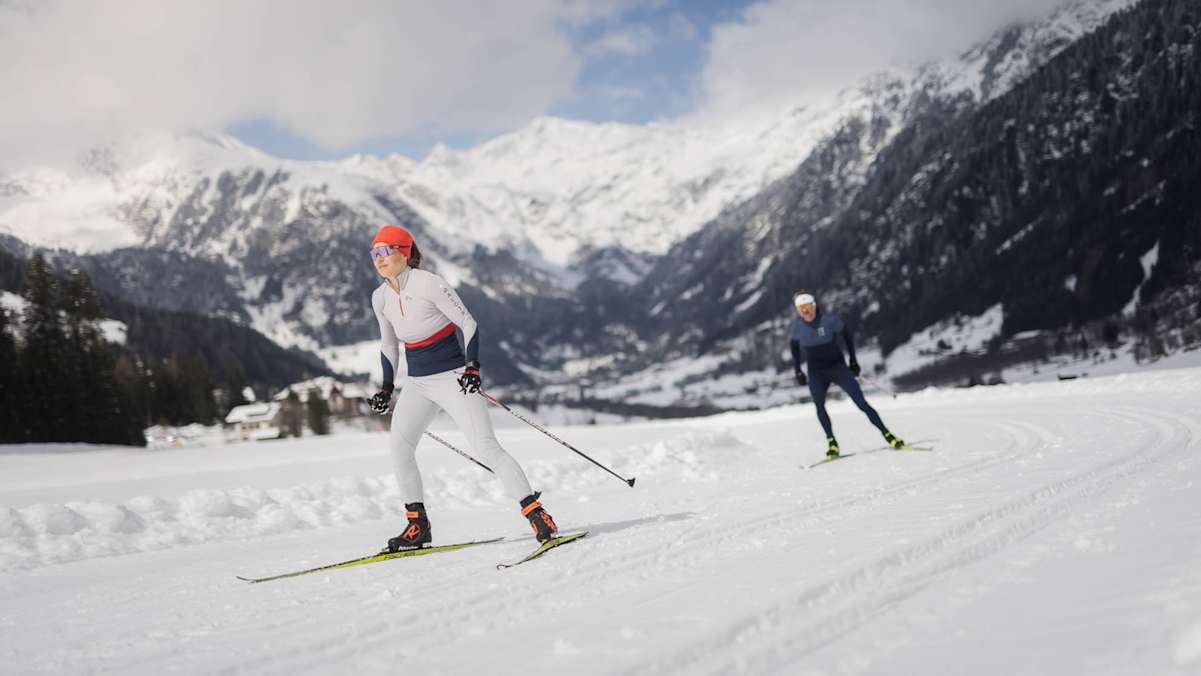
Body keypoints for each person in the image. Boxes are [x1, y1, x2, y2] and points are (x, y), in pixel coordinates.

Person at [365, 224, 558, 551]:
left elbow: (468, 323)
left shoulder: (430, 284)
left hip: (453, 377)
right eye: (374, 253)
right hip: (418, 383)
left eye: (386, 251)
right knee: (399, 448)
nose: (379, 259)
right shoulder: (380, 297)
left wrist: (472, 367)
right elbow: (388, 345)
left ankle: (537, 514)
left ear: (405, 252)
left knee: (486, 447)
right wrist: (386, 388)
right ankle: (417, 527)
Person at [789, 290, 905, 457]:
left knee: (861, 403)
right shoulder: (797, 327)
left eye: (807, 307)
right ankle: (832, 442)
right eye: (801, 309)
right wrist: (797, 370)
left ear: (814, 306)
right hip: (816, 372)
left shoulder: (829, 320)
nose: (805, 312)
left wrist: (853, 360)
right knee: (819, 406)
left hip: (837, 367)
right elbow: (793, 346)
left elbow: (847, 335)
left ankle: (887, 434)